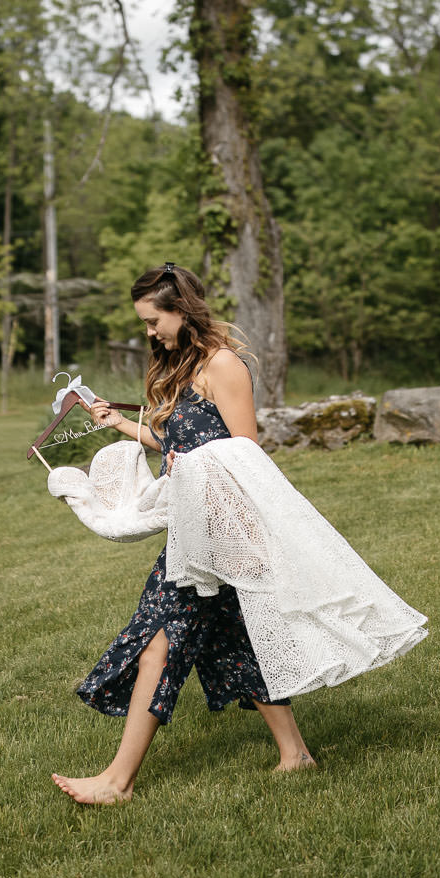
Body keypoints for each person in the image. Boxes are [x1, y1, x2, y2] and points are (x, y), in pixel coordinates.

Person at [50, 262, 315, 806]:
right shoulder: (178, 367)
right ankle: (296, 754)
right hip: (196, 527)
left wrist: (197, 474)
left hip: (224, 530)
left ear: (182, 311)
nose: (149, 332)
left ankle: (117, 782)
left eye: (153, 321)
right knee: (239, 640)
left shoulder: (223, 366)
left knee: (157, 644)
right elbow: (180, 443)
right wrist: (122, 425)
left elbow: (244, 454)